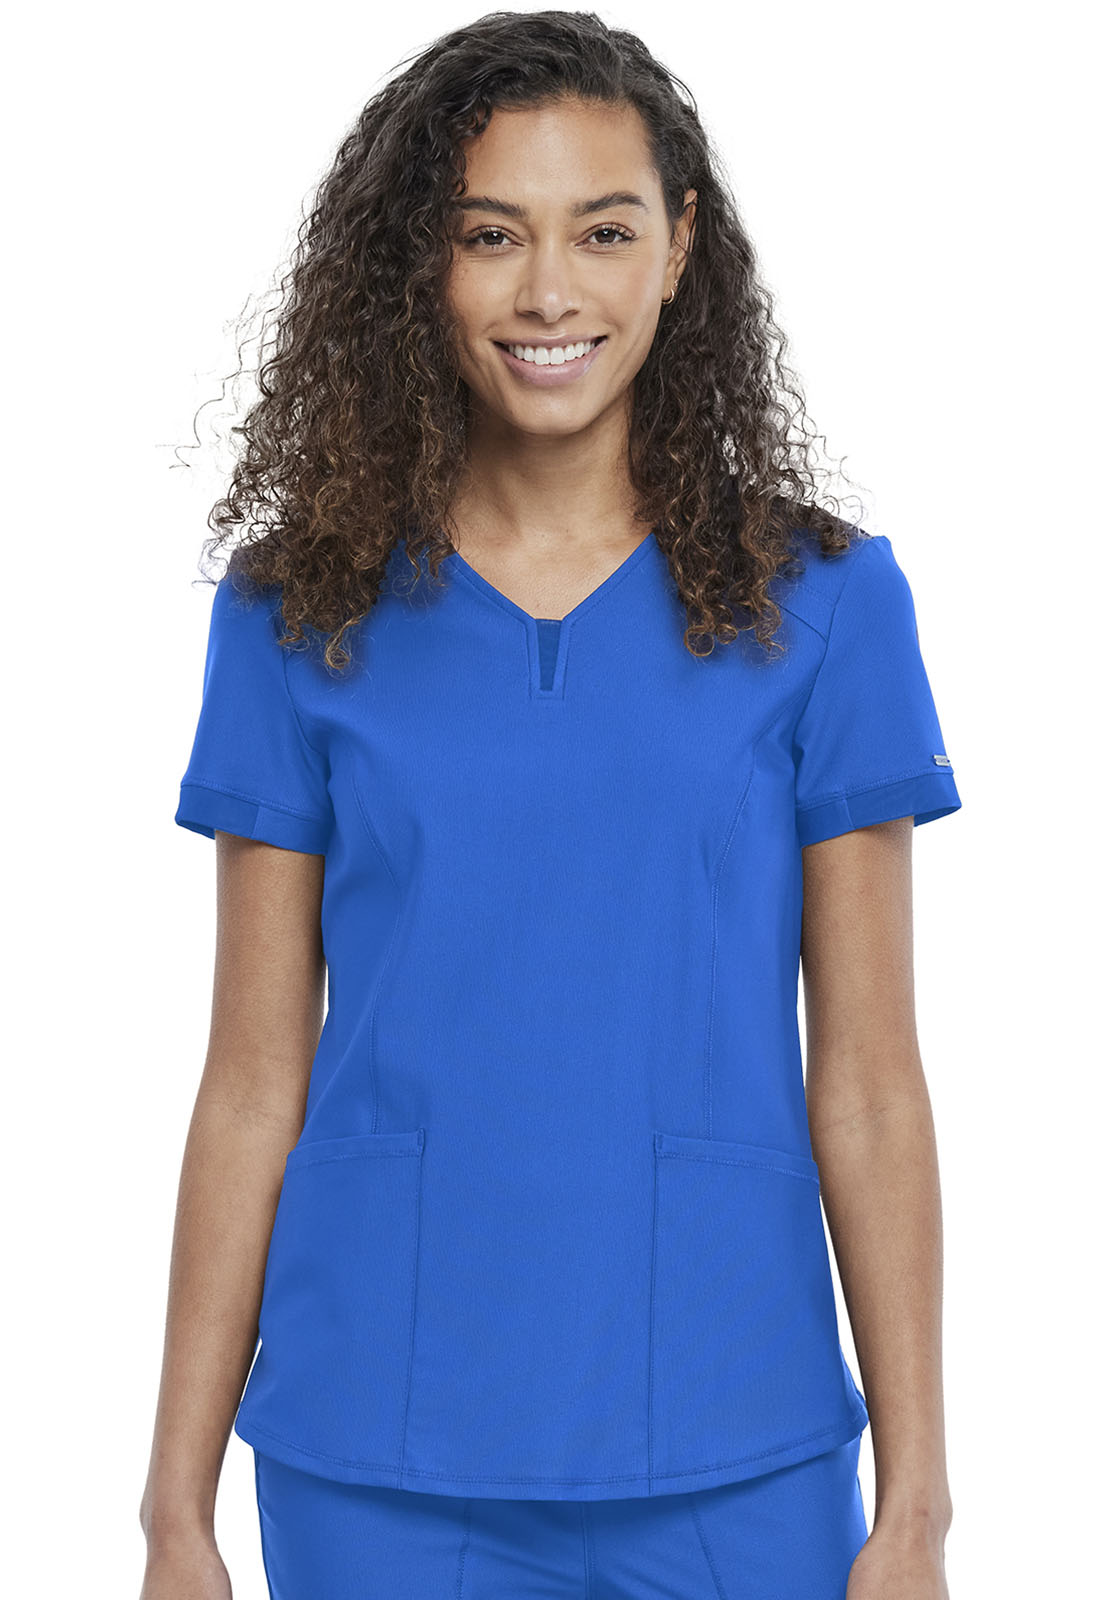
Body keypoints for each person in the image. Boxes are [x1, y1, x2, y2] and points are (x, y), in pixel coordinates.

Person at [139, 11, 961, 1599]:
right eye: (489, 235)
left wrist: (916, 1502)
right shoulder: (293, 613)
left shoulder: (829, 603)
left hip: (737, 1434)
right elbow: (250, 1078)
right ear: (420, 264)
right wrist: (175, 1512)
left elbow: (868, 1077)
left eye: (603, 231)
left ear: (680, 249)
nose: (548, 292)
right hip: (374, 1447)